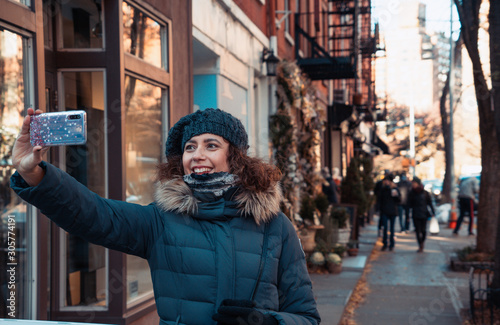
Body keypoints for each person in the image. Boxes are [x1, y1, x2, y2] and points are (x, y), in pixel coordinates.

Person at [10, 108, 321, 325]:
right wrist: (33, 173)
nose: (197, 155)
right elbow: (93, 214)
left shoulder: (275, 226)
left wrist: (268, 322)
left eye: (211, 145)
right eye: (190, 147)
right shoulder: (161, 221)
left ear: (235, 157)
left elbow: (306, 315)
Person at [408, 177, 435, 253]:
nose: (413, 185)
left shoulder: (425, 193)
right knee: (417, 230)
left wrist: (433, 212)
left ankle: (422, 242)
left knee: (423, 230)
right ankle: (420, 244)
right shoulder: (411, 193)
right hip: (415, 214)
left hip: (424, 214)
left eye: (414, 183)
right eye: (412, 183)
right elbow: (408, 204)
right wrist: (407, 215)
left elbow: (430, 203)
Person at [378, 174, 401, 251]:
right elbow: (379, 200)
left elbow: (399, 200)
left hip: (392, 211)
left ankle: (392, 244)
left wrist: (396, 195)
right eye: (385, 181)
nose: (386, 182)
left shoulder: (394, 189)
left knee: (392, 228)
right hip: (384, 211)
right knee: (385, 228)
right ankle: (384, 243)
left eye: (387, 181)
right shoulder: (383, 189)